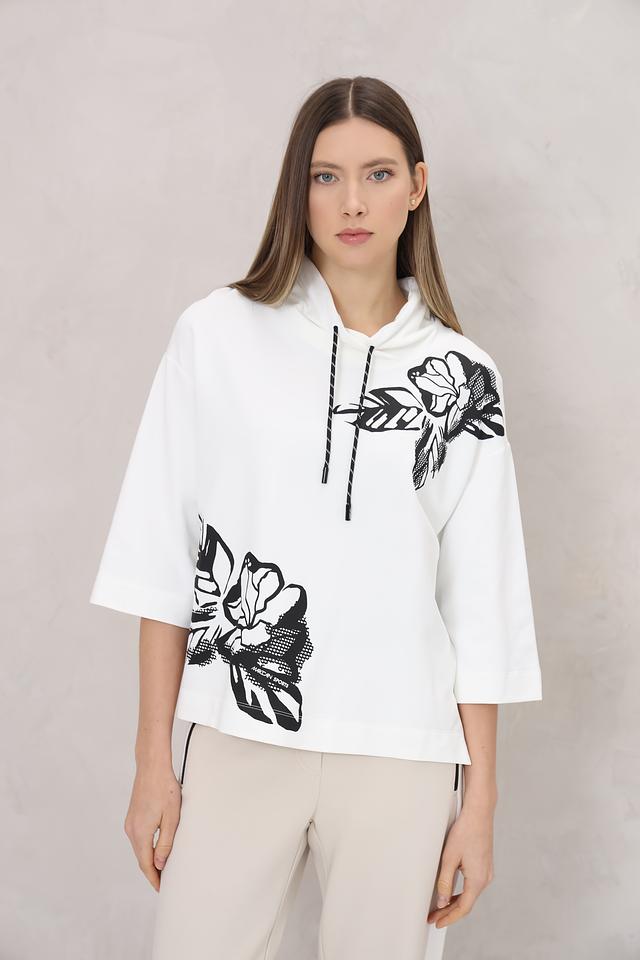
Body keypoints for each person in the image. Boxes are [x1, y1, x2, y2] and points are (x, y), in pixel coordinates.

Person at [89, 75, 543, 960]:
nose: (353, 203)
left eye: (378, 174)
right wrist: (152, 764)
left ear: (417, 186)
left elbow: (479, 607)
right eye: (326, 176)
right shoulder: (217, 335)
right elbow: (163, 560)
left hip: (403, 750)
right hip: (239, 732)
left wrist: (479, 804)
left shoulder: (464, 380)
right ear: (297, 190)